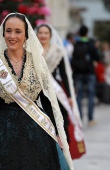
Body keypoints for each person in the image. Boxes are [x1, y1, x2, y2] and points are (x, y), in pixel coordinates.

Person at [0, 13, 74, 170]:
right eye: (8, 31)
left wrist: (59, 132)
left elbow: (47, 100)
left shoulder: (38, 62)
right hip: (2, 132)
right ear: (3, 33)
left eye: (18, 31)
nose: (12, 36)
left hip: (36, 130)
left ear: (26, 35)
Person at [35, 24, 85, 159]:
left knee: (60, 119)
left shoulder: (57, 51)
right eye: (41, 33)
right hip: (35, 89)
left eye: (46, 33)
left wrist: (69, 95)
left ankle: (63, 150)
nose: (43, 35)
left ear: (50, 35)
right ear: (36, 34)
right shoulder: (32, 51)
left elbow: (64, 74)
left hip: (54, 90)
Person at [71, 25, 100, 126]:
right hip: (89, 72)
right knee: (91, 95)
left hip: (78, 73)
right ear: (87, 33)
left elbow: (72, 59)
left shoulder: (76, 43)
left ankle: (80, 118)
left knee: (78, 96)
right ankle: (90, 118)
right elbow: (97, 57)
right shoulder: (91, 44)